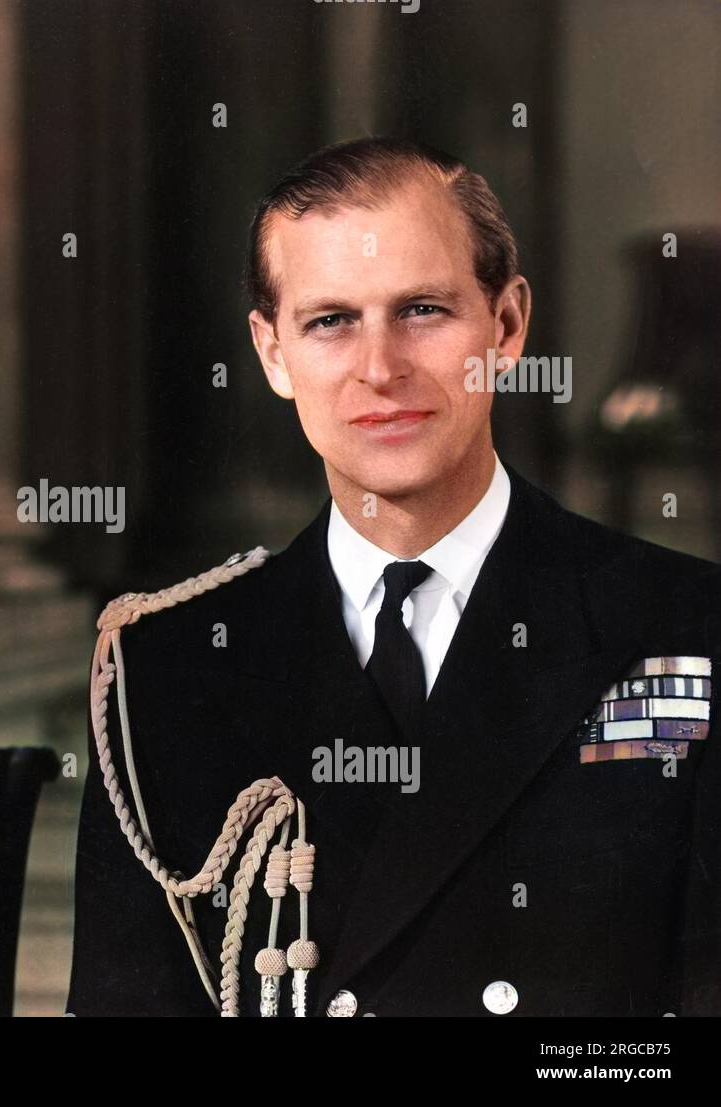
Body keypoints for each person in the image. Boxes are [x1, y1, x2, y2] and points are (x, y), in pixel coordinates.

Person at [66, 137, 719, 1017]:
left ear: (509, 326)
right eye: (331, 320)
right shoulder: (160, 670)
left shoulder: (685, 629)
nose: (381, 368)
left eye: (421, 309)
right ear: (271, 353)